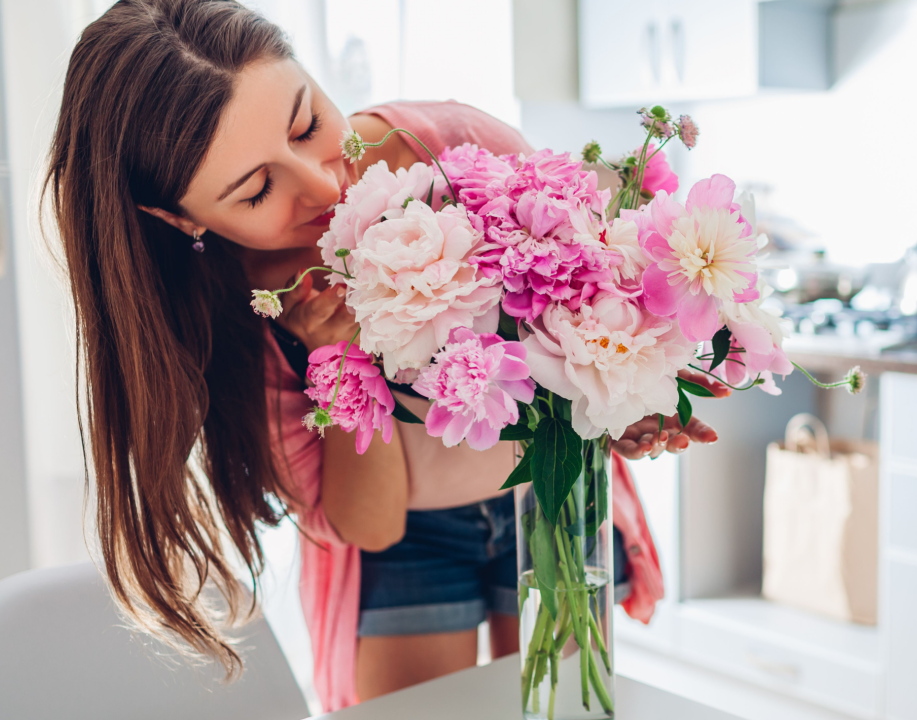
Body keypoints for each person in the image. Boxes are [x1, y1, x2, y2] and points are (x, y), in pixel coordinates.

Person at [46, 0, 724, 711]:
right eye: (257, 190)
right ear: (183, 218)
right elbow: (374, 526)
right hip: (407, 546)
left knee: (568, 707)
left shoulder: (453, 145)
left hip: (547, 496)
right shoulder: (234, 325)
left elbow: (590, 303)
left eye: (306, 123)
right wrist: (337, 358)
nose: (320, 183)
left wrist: (630, 403)